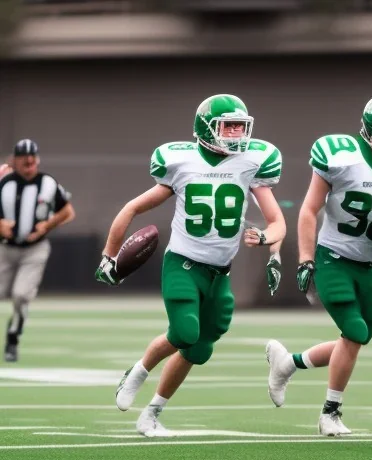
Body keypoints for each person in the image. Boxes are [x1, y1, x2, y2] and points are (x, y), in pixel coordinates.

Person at [96, 94, 286, 437]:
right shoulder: (181, 162)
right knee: (184, 332)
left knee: (198, 350)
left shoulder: (250, 163)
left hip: (220, 274)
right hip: (182, 265)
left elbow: (277, 221)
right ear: (206, 128)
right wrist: (108, 257)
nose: (235, 134)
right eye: (227, 126)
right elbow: (132, 208)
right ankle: (138, 371)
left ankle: (151, 414)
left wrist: (270, 243)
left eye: (240, 126)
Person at [265, 92, 372, 436]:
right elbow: (310, 209)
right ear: (371, 127)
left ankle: (288, 363)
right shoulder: (341, 156)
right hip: (333, 258)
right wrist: (306, 259)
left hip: (371, 265)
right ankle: (330, 412)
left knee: (356, 339)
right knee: (354, 333)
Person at [0, 139, 75, 362]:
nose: (29, 163)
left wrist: (48, 225)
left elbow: (68, 212)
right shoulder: (4, 182)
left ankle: (13, 337)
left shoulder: (48, 183)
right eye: (24, 159)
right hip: (5, 249)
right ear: (16, 160)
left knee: (21, 295)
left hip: (34, 249)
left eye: (32, 158)